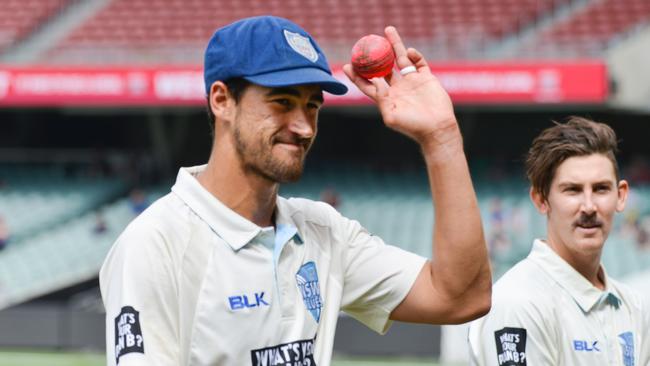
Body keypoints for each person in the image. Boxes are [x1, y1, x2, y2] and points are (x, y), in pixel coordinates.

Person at [100, 15, 491, 366]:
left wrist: (442, 139)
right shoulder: (156, 244)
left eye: (312, 107)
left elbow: (463, 297)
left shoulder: (322, 231)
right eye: (282, 102)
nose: (303, 126)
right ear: (222, 101)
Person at [468, 117, 650, 366]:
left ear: (621, 196)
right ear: (541, 199)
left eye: (600, 189)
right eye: (572, 190)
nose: (589, 206)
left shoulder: (633, 306)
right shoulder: (519, 302)